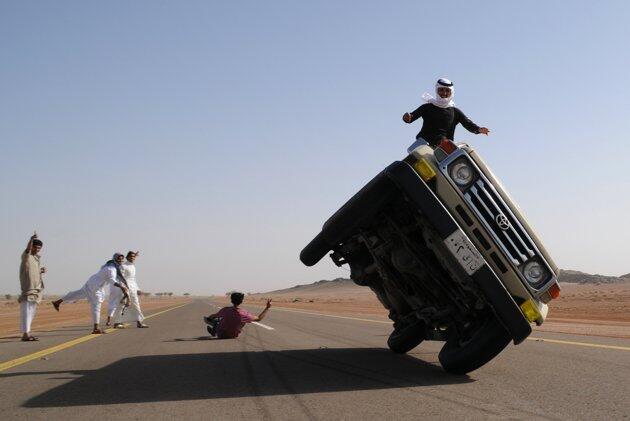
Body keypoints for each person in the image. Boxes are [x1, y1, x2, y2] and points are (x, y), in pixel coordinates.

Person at [52, 253, 129, 334]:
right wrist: (122, 287)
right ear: (115, 259)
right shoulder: (111, 268)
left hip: (92, 282)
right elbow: (112, 280)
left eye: (122, 259)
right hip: (95, 286)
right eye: (119, 259)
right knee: (96, 304)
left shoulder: (108, 265)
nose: (121, 261)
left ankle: (58, 302)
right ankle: (96, 328)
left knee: (78, 293)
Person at [402, 78, 490, 147]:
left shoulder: (455, 112)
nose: (444, 93)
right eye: (441, 90)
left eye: (447, 90)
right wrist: (407, 117)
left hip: (444, 149)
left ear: (451, 92)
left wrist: (478, 129)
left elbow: (468, 123)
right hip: (423, 144)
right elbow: (411, 117)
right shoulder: (427, 107)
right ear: (437, 90)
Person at [204, 293, 272, 339]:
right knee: (243, 320)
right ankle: (215, 329)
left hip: (221, 335)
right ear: (241, 301)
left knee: (217, 320)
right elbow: (259, 318)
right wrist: (267, 308)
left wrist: (209, 319)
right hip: (233, 335)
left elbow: (213, 316)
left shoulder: (225, 310)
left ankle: (214, 330)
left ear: (231, 301)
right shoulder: (244, 313)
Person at [18, 232, 46, 342]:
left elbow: (33, 271)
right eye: (36, 247)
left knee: (31, 313)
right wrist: (31, 239)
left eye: (39, 247)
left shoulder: (36, 259)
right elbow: (27, 250)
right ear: (32, 246)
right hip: (28, 290)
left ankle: (27, 333)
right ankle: (25, 334)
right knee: (26, 313)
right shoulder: (27, 256)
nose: (38, 249)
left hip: (36, 291)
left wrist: (41, 271)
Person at [110, 251, 148, 328]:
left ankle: (139, 323)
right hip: (125, 288)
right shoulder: (123, 266)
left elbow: (133, 279)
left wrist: (137, 289)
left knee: (136, 305)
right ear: (127, 258)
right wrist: (124, 289)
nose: (132, 258)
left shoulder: (133, 266)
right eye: (131, 257)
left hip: (133, 288)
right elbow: (120, 279)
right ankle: (117, 323)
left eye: (134, 257)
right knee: (121, 305)